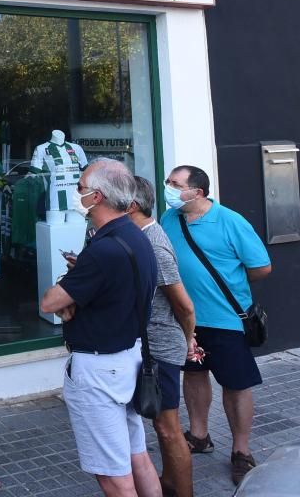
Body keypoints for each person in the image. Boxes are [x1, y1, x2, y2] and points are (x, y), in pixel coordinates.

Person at [40, 159, 162, 497]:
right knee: (137, 457)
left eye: (80, 188)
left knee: (112, 475)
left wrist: (70, 288)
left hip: (99, 370)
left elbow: (49, 302)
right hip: (127, 358)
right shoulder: (135, 236)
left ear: (97, 197)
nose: (76, 193)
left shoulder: (103, 250)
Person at [159, 164, 271, 486]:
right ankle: (199, 435)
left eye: (175, 183)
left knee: (235, 385)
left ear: (197, 192)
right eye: (169, 181)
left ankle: (241, 451)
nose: (168, 187)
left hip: (224, 319)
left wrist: (226, 282)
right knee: (193, 375)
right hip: (184, 319)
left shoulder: (230, 221)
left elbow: (261, 267)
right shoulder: (170, 219)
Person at [129, 177, 198, 497]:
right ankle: (168, 482)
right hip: (145, 345)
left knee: (167, 429)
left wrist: (187, 340)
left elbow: (183, 306)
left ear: (130, 205)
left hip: (160, 347)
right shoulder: (135, 236)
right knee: (158, 424)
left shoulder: (153, 243)